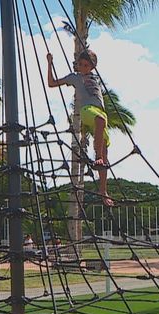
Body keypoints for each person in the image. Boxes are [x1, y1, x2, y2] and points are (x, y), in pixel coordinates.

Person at [46, 50, 113, 207]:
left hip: (101, 113)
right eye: (81, 65)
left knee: (106, 151)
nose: (83, 67)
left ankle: (103, 191)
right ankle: (98, 156)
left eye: (86, 65)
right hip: (87, 111)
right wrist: (49, 63)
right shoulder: (74, 77)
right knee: (99, 121)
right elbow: (51, 83)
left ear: (92, 67)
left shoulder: (95, 78)